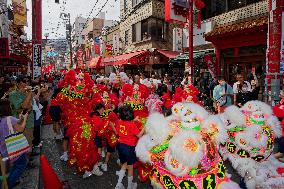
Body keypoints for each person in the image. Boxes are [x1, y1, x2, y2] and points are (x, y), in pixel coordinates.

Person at [113, 106, 145, 189]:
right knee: (130, 167)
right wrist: (145, 127)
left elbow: (120, 130)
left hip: (120, 146)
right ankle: (130, 186)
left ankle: (119, 184)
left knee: (124, 164)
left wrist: (133, 121)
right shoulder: (132, 125)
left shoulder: (119, 122)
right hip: (129, 148)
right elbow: (139, 135)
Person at [0, 99, 29, 188]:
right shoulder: (9, 118)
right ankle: (8, 185)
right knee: (21, 165)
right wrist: (25, 119)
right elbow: (21, 129)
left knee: (8, 170)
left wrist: (21, 118)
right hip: (15, 150)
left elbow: (15, 123)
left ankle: (6, 183)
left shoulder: (2, 120)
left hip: (4, 150)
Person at [9, 77, 34, 147]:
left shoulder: (27, 93)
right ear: (18, 83)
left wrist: (28, 95)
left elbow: (30, 107)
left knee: (29, 145)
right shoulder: (13, 94)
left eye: (28, 81)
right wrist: (29, 94)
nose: (27, 83)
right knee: (19, 147)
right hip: (18, 123)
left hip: (29, 122)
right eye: (24, 81)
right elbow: (24, 106)